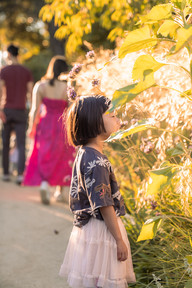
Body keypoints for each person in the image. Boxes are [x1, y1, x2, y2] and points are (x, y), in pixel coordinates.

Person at [59, 95, 136, 288]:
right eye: (112, 115)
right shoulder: (97, 162)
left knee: (93, 280)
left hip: (90, 231)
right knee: (103, 280)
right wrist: (118, 239)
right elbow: (104, 203)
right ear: (94, 120)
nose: (118, 119)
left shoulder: (84, 153)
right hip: (103, 230)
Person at [23, 56, 75, 205]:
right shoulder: (67, 88)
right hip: (62, 124)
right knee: (62, 155)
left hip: (45, 124)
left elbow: (34, 110)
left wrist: (31, 127)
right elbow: (71, 110)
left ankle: (45, 183)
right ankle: (59, 191)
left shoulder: (41, 86)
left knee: (44, 154)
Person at [0, 44, 33, 184]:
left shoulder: (4, 71)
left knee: (5, 143)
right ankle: (20, 174)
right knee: (20, 143)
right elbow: (31, 93)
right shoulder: (26, 72)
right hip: (21, 110)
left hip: (6, 110)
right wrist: (31, 109)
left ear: (8, 54)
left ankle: (6, 173)